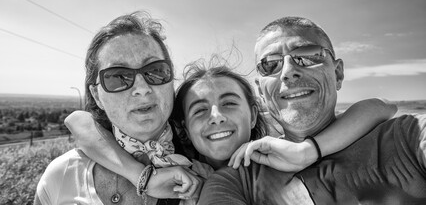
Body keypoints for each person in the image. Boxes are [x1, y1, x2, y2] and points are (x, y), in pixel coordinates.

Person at [66, 58, 395, 201]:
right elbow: (79, 122)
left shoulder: (282, 153)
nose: (216, 116)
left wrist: (308, 150)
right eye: (199, 109)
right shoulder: (172, 164)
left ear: (253, 115)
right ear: (182, 126)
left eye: (229, 103)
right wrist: (144, 176)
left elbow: (381, 106)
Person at [199, 16, 426, 204]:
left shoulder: (408, 136)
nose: (288, 71)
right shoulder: (235, 181)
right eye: (270, 64)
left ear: (337, 73)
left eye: (307, 56)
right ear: (260, 90)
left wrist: (310, 150)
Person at [34, 11, 202, 205]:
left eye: (155, 71)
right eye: (117, 76)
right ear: (97, 96)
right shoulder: (62, 176)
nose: (142, 89)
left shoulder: (206, 172)